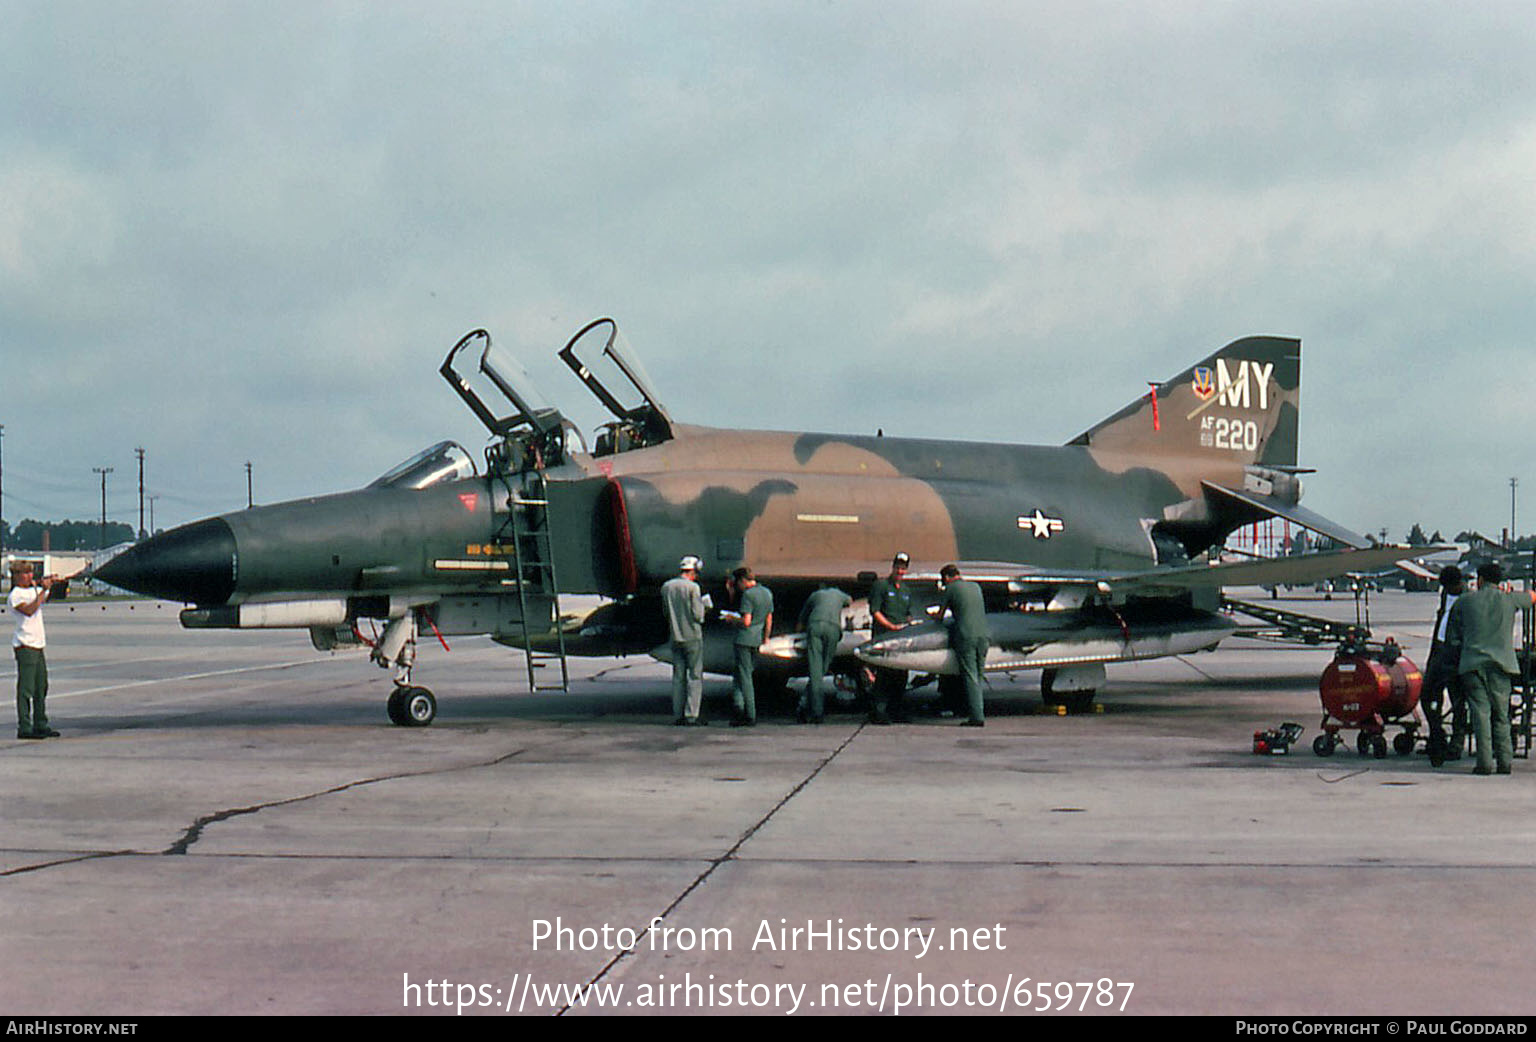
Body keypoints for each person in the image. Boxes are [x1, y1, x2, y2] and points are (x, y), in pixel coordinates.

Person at [1445, 561, 1536, 776]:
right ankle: (1505, 762)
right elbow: (1532, 597)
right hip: (1502, 665)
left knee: (1480, 714)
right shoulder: (1510, 599)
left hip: (1473, 665)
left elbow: (1452, 638)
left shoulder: (1464, 601)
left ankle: (1484, 763)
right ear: (1500, 581)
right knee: (1501, 715)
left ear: (1480, 580)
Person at [1421, 566, 1467, 766]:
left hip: (1456, 654)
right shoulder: (1445, 595)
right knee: (1427, 696)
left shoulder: (1468, 599)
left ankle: (1456, 743)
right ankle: (1437, 736)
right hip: (1439, 651)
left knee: (1458, 701)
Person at [10, 561, 59, 740]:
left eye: (31, 573)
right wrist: (42, 591)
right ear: (16, 576)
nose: (30, 576)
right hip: (25, 645)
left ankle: (40, 723)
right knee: (26, 688)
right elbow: (29, 610)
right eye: (25, 573)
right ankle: (24, 726)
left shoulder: (32, 590)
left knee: (41, 686)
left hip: (38, 644)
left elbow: (47, 598)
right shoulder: (16, 595)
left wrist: (49, 585)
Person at [938, 564, 989, 727]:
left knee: (970, 675)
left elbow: (940, 615)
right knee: (979, 675)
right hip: (983, 636)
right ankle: (979, 711)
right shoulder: (975, 586)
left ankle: (977, 717)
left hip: (966, 637)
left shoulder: (951, 589)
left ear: (946, 578)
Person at [867, 552, 915, 724]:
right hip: (884, 637)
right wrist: (891, 626)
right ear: (893, 567)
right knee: (884, 676)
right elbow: (875, 611)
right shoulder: (881, 586)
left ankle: (896, 711)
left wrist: (910, 623)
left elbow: (908, 613)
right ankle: (878, 712)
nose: (900, 572)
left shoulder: (906, 590)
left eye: (903, 569)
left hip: (901, 639)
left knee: (901, 675)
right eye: (898, 568)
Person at [661, 555, 708, 726]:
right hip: (692, 637)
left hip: (675, 636)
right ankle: (691, 715)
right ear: (694, 571)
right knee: (695, 676)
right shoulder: (693, 588)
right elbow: (698, 616)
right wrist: (705, 606)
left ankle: (677, 714)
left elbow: (666, 612)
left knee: (678, 677)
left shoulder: (667, 587)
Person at [796, 584, 851, 724]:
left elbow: (802, 620)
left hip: (815, 627)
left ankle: (814, 711)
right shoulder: (840, 594)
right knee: (821, 670)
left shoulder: (814, 595)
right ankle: (809, 707)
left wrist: (798, 634)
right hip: (833, 629)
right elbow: (850, 601)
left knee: (816, 672)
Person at [728, 567, 773, 727]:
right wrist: (766, 637)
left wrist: (731, 619)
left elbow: (746, 621)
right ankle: (739, 708)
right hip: (757, 640)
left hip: (743, 640)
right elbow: (768, 619)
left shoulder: (748, 595)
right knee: (743, 674)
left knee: (744, 677)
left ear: (743, 581)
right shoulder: (767, 593)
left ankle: (749, 714)